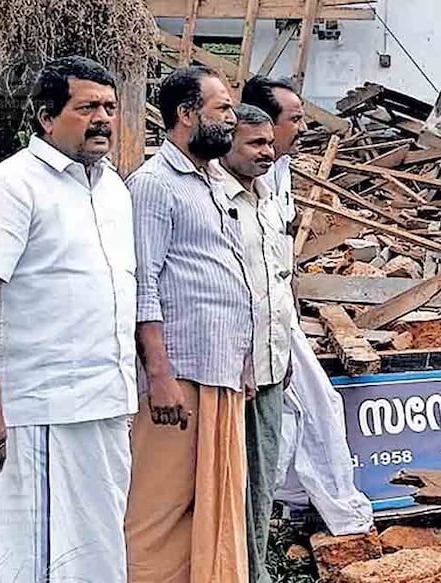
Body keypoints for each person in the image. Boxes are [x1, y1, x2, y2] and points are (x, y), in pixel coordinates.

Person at [0, 56, 136, 582]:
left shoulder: (113, 190)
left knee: (97, 551)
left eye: (108, 105)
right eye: (86, 107)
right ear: (46, 117)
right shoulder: (9, 187)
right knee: (25, 555)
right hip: (34, 409)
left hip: (103, 404)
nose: (102, 117)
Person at [124, 66, 253, 583]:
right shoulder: (155, 184)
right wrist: (159, 376)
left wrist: (242, 361)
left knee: (207, 513)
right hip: (179, 377)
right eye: (222, 108)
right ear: (185, 114)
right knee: (156, 513)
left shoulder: (211, 184)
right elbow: (143, 285)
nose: (232, 118)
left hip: (218, 374)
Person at [241, 76, 375, 539]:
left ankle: (304, 506)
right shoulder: (238, 179)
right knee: (308, 408)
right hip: (251, 321)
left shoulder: (281, 171)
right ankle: (335, 515)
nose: (302, 127)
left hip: (280, 316)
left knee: (310, 408)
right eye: (294, 118)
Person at [213, 103, 295, 583]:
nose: (269, 152)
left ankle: (254, 569)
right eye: (256, 144)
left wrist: (283, 348)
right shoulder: (213, 198)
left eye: (270, 142)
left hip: (269, 365)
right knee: (224, 482)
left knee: (261, 481)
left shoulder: (269, 197)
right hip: (226, 370)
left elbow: (280, 280)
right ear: (227, 143)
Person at [242, 75, 308, 228]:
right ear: (266, 122)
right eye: (295, 119)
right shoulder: (243, 171)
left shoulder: (282, 164)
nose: (304, 128)